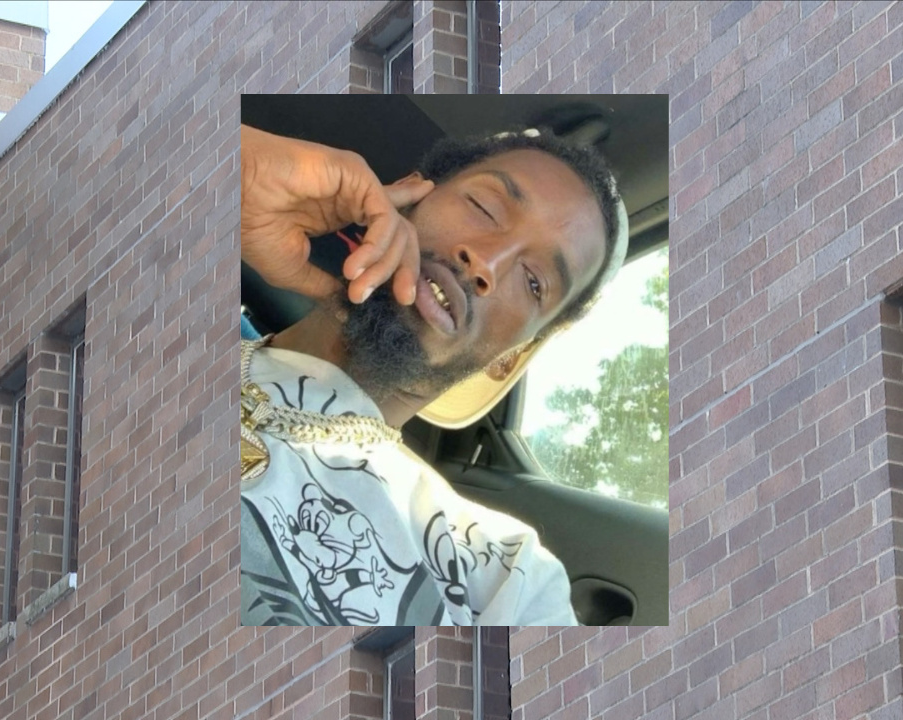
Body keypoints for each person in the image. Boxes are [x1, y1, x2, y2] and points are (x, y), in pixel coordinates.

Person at [237, 122, 628, 625]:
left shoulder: (505, 576)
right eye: (484, 206)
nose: (486, 262)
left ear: (509, 358)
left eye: (534, 282)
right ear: (405, 194)